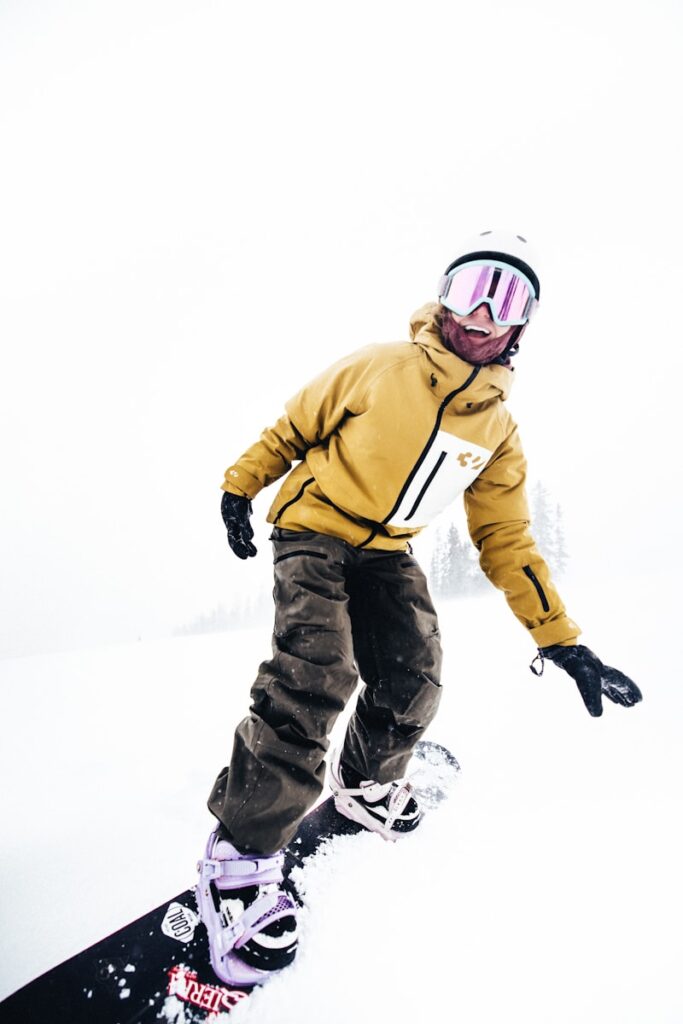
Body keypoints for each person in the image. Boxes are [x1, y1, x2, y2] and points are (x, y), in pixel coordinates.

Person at [197, 230, 642, 987]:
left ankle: (366, 783)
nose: (480, 312)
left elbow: (505, 538)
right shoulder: (378, 367)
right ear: (443, 293)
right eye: (471, 286)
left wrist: (562, 640)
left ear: (522, 326)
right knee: (315, 671)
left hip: (386, 549)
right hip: (313, 529)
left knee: (415, 671)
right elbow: (292, 429)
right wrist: (240, 487)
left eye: (506, 299)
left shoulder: (496, 430)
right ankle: (238, 856)